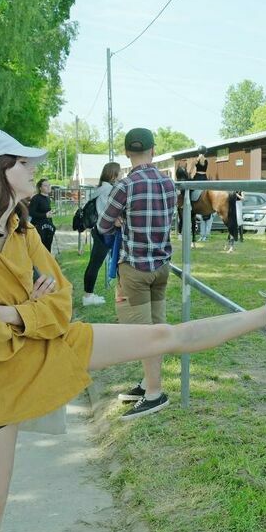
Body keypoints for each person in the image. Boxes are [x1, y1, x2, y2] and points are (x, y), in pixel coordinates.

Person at [0, 128, 266, 532]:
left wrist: (16, 314)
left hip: (49, 349)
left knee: (162, 336)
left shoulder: (23, 229)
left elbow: (59, 305)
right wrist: (25, 312)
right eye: (24, 163)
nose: (35, 170)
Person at [96, 127, 176, 418]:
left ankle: (154, 394)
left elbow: (102, 225)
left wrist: (121, 222)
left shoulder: (125, 186)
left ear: (128, 153)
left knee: (142, 335)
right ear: (153, 151)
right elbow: (172, 220)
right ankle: (147, 383)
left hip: (134, 268)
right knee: (155, 327)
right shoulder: (169, 184)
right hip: (161, 267)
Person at [80, 161, 121, 306]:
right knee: (96, 264)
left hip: (99, 231)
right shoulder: (109, 189)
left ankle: (89, 295)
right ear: (113, 174)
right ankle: (88, 296)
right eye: (119, 172)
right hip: (106, 232)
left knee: (95, 263)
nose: (121, 174)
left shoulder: (101, 189)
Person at [27, 177, 55, 251]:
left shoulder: (48, 198)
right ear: (40, 188)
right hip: (38, 228)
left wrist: (51, 221)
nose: (48, 187)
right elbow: (31, 212)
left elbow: (47, 212)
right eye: (45, 185)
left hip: (47, 227)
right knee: (40, 249)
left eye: (49, 185)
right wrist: (45, 215)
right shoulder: (36, 198)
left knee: (48, 248)